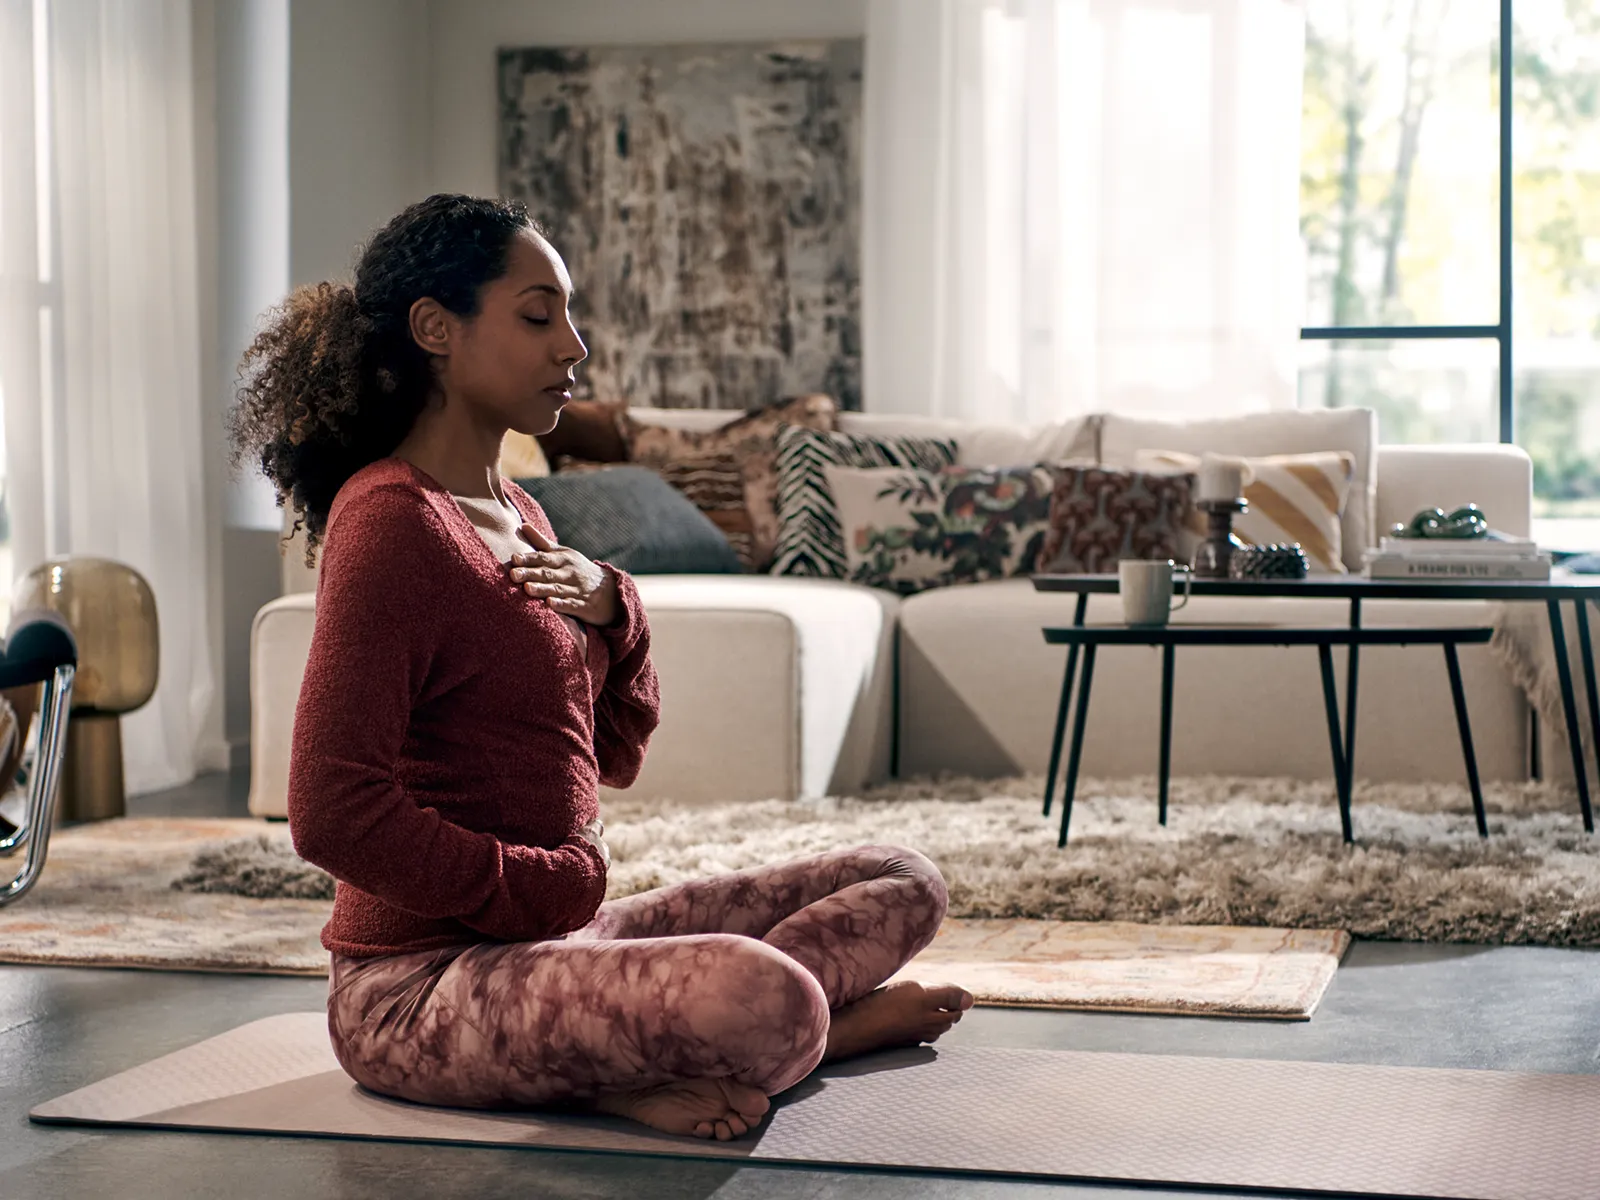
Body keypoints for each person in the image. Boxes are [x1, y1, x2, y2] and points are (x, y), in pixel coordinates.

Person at [228, 193, 973, 1141]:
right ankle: (803, 1032)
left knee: (903, 878)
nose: (573, 346)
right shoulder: (391, 523)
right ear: (435, 330)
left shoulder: (522, 515)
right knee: (764, 996)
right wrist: (542, 888)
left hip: (558, 940)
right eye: (539, 316)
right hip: (417, 990)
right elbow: (331, 809)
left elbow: (611, 753)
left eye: (569, 317)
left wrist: (617, 611)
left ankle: (706, 1045)